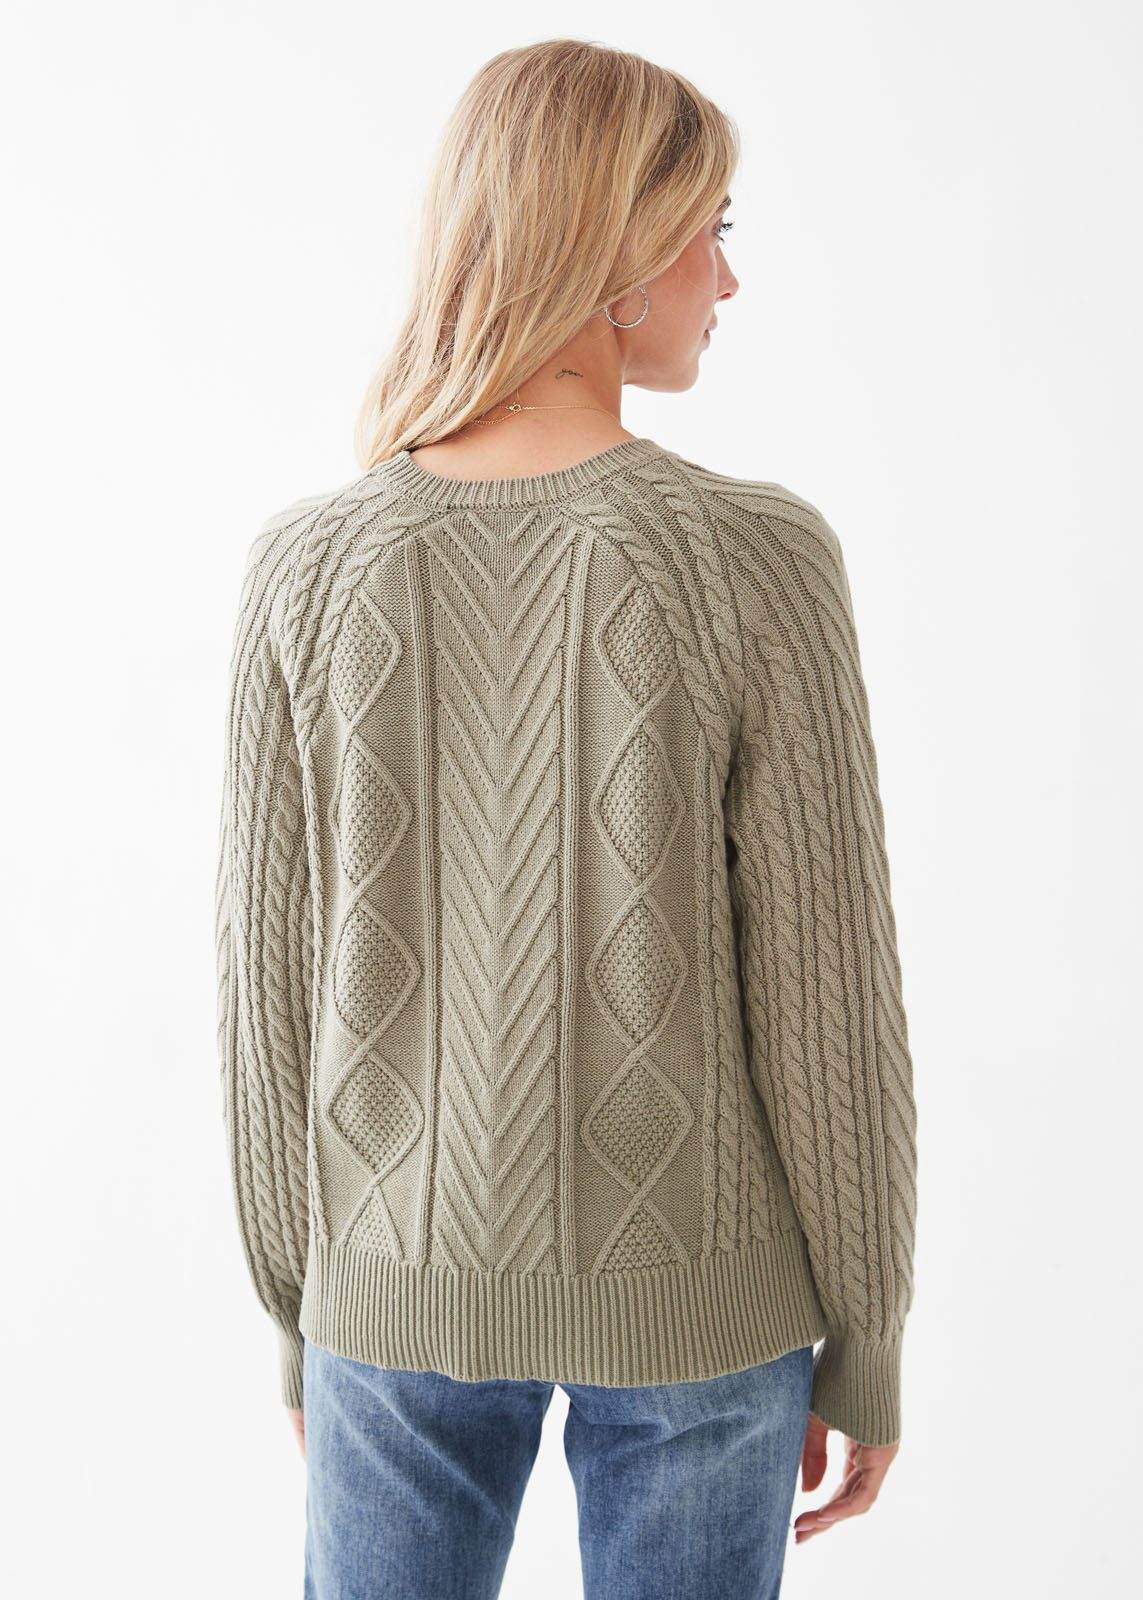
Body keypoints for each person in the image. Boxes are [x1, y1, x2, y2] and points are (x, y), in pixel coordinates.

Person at [215, 36, 919, 1600]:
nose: (728, 281)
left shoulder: (311, 569)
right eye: (713, 232)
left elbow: (270, 1003)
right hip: (703, 1295)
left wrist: (303, 1317)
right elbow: (828, 1002)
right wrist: (868, 1333)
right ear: (619, 256)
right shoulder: (754, 560)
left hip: (390, 1286)